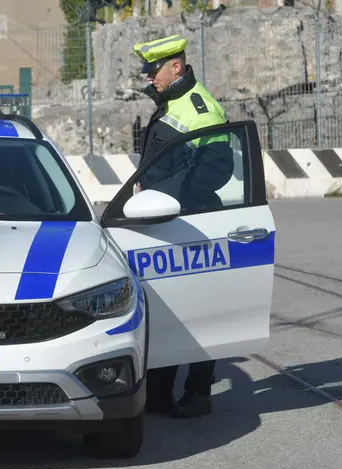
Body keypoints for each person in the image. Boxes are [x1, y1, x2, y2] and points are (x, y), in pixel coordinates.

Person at [132, 34, 232, 419]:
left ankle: (197, 394)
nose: (149, 77)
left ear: (176, 66)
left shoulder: (198, 107)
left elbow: (216, 167)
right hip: (162, 218)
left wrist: (170, 196)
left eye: (153, 70)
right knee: (166, 309)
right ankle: (158, 395)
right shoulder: (170, 101)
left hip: (189, 221)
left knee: (196, 312)